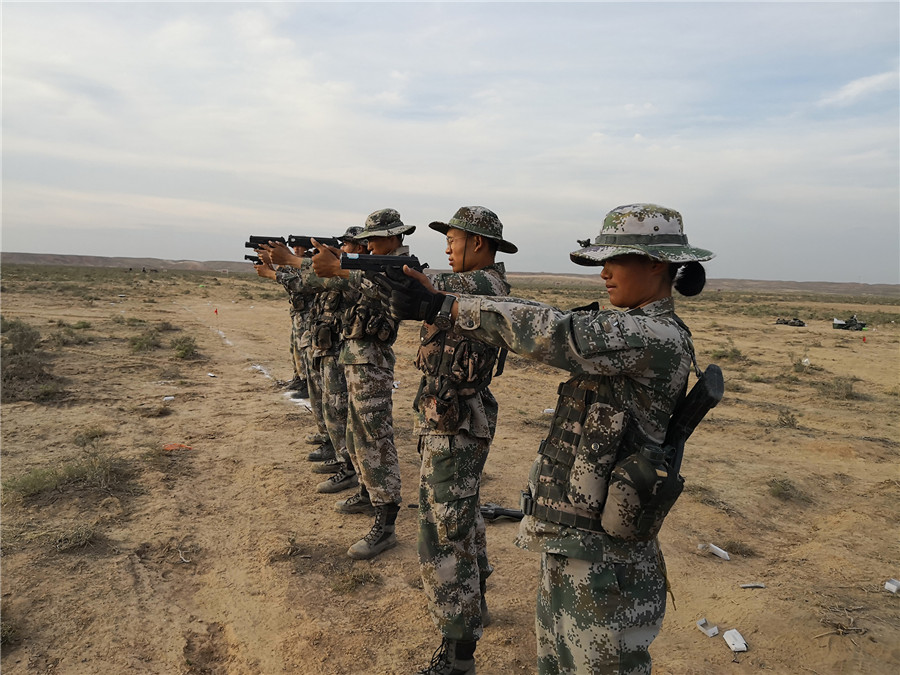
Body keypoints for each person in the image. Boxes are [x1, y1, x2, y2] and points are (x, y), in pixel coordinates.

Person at [391, 203, 714, 675]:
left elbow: (553, 331)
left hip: (606, 559)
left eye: (615, 260)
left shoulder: (653, 334)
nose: (604, 273)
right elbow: (545, 315)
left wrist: (446, 306)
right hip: (579, 540)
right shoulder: (637, 328)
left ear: (655, 264)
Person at [267, 208, 413, 560]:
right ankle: (365, 492)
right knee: (356, 435)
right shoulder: (371, 265)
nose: (369, 246)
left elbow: (363, 283)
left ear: (394, 238)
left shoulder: (399, 268)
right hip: (354, 359)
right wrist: (306, 265)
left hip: (372, 363)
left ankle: (386, 523)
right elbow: (328, 280)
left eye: (374, 239)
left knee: (374, 439)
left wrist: (296, 261)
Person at [411, 207, 516, 675]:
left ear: (477, 242)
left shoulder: (483, 285)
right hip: (446, 420)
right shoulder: (464, 286)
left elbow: (428, 283)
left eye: (453, 240)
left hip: (458, 426)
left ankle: (458, 657)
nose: (448, 248)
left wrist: (352, 270)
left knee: (444, 535)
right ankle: (477, 601)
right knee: (462, 519)